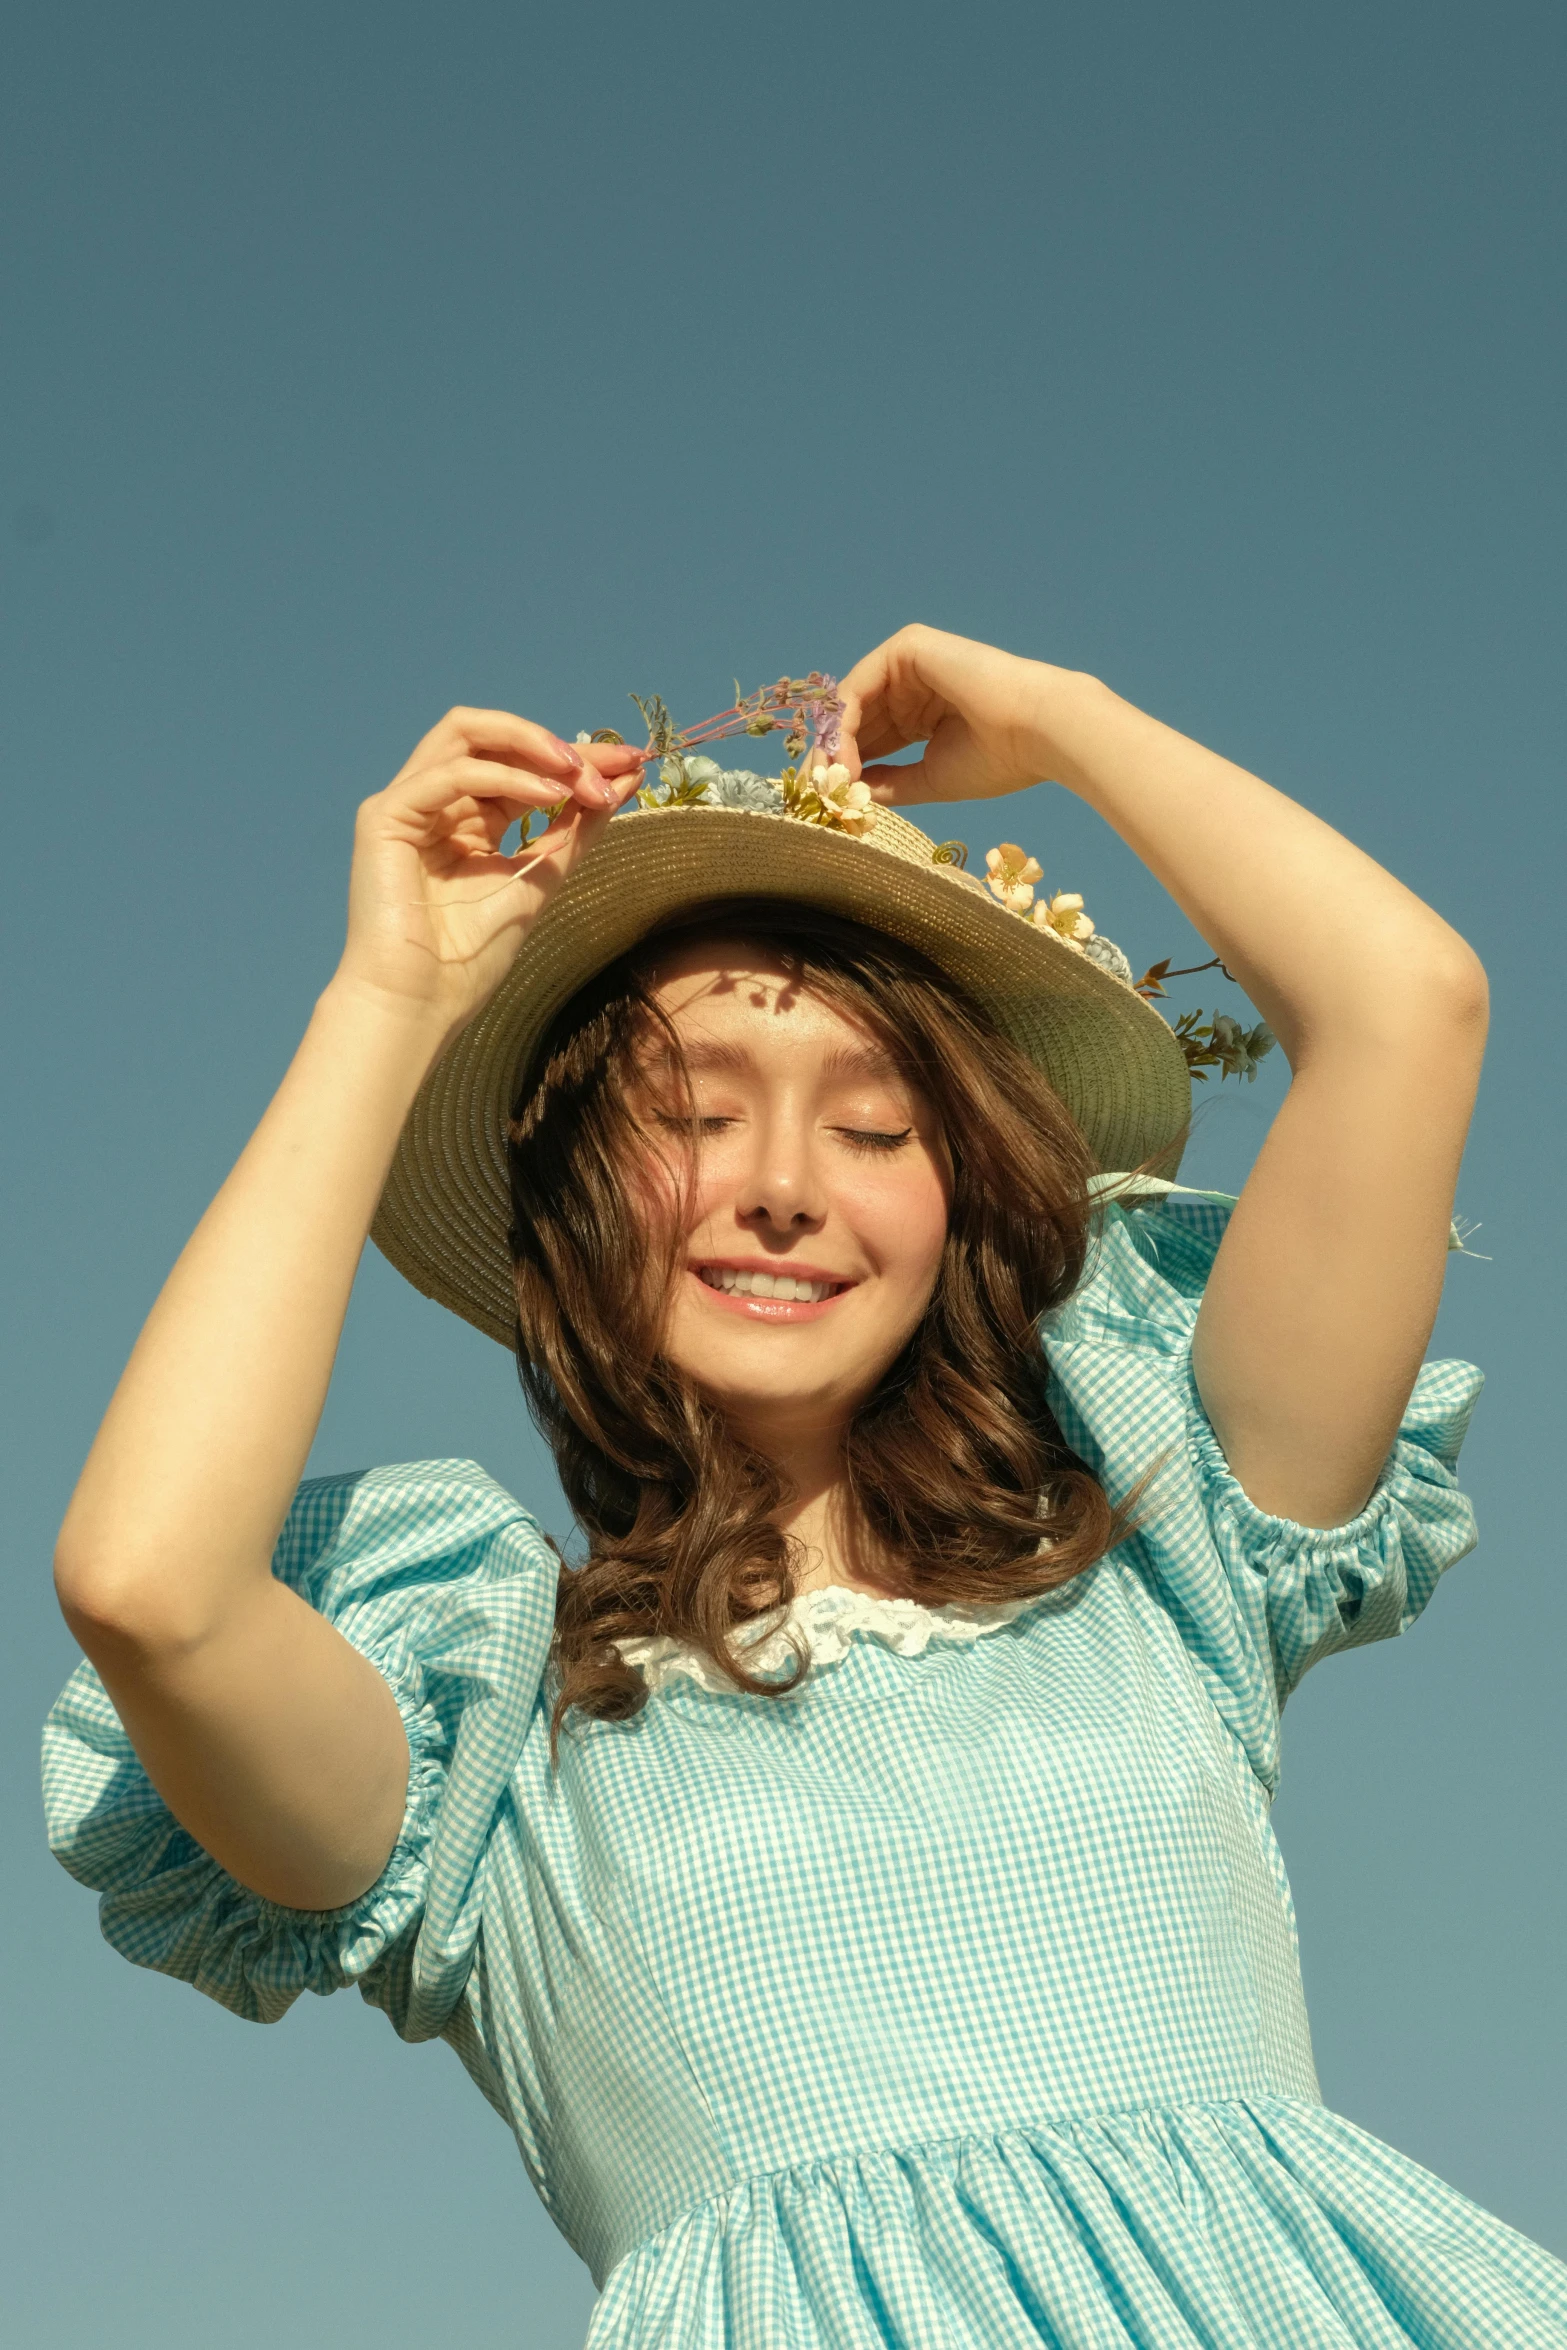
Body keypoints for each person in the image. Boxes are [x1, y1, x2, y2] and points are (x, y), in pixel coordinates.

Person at [42, 626, 1566, 2347]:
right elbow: (148, 1585)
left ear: (963, 1199)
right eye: (690, 1114)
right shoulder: (489, 1751)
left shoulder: (1168, 1548)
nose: (781, 1188)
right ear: (571, 1206)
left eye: (873, 1129)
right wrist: (388, 998)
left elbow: (1404, 1008)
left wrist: (1061, 722)